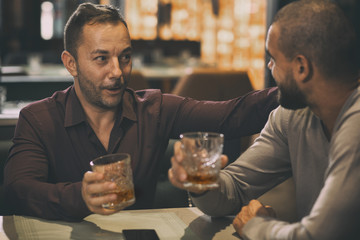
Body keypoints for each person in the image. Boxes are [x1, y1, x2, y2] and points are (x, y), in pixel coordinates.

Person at [3, 3, 278, 221]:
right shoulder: (38, 119)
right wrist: (80, 197)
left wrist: (294, 89)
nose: (117, 72)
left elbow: (232, 115)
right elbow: (18, 190)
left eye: (125, 57)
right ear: (71, 63)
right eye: (101, 59)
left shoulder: (154, 109)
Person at [169, 0, 360, 239]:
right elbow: (234, 188)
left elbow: (316, 235)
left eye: (273, 58)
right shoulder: (292, 116)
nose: (269, 67)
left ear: (301, 67)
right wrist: (201, 181)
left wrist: (255, 226)